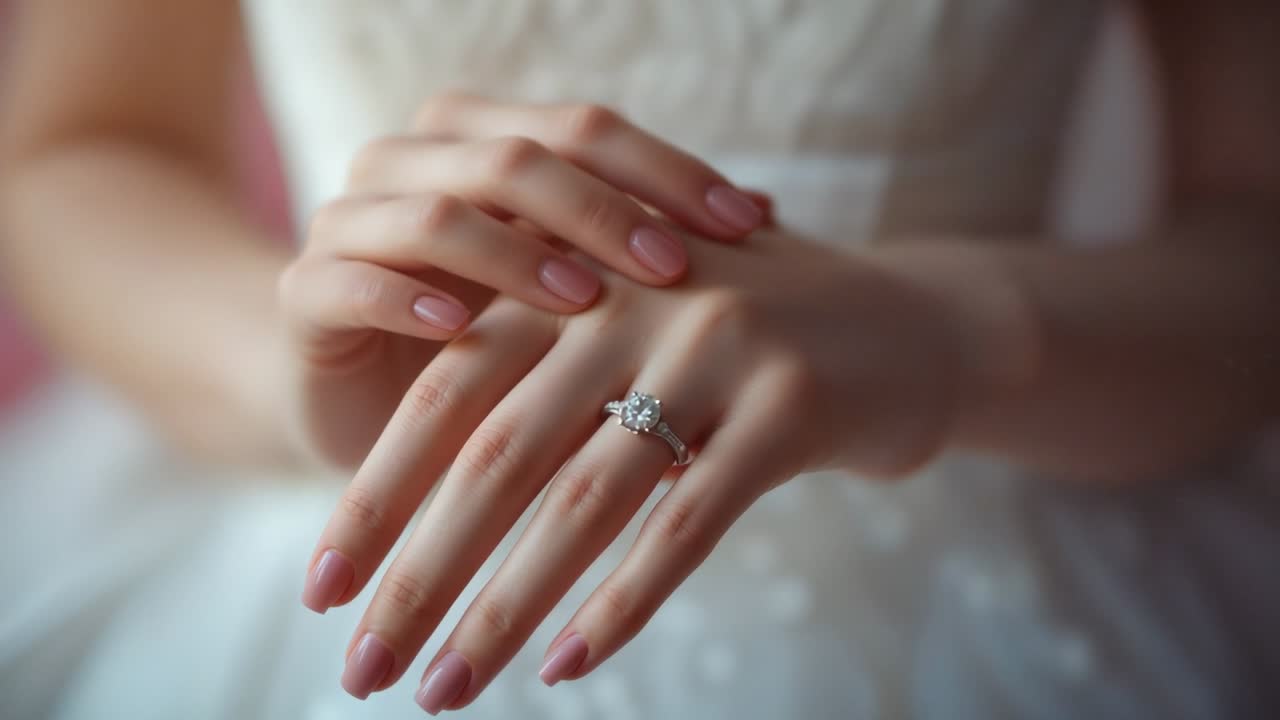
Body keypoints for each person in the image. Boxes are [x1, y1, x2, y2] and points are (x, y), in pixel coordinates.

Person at [1, 1, 1277, 718]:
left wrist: (942, 335)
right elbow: (86, 147)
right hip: (339, 555)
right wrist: (287, 376)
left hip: (1028, 537)